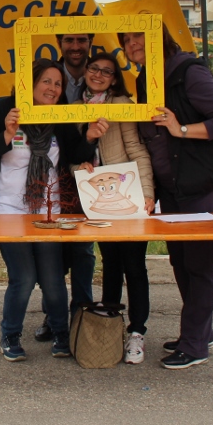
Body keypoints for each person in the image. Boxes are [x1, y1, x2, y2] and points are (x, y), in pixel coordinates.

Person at [119, 24, 213, 369]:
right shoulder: (145, 79)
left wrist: (182, 129)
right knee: (181, 261)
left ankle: (195, 344)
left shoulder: (189, 73)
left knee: (200, 265)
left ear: (158, 37)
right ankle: (200, 331)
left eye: (138, 36)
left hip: (202, 184)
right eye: (126, 40)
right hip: (172, 187)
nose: (132, 43)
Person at [0, 58, 105, 362]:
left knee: (54, 280)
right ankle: (10, 335)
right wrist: (7, 134)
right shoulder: (6, 110)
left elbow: (75, 152)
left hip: (49, 214)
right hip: (9, 211)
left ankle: (61, 333)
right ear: (29, 83)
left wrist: (90, 137)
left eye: (58, 84)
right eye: (46, 81)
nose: (53, 88)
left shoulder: (59, 115)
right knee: (24, 277)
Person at [71, 52, 155, 364]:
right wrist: (78, 166)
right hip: (97, 201)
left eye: (106, 71)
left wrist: (147, 193)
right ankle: (110, 325)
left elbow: (136, 149)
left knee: (134, 264)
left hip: (127, 197)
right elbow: (71, 155)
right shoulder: (74, 107)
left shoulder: (121, 104)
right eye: (94, 68)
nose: (99, 75)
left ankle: (137, 332)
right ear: (86, 71)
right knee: (110, 263)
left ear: (114, 78)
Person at [32, 32, 98, 343]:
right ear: (60, 43)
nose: (75, 46)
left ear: (90, 43)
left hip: (91, 174)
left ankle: (82, 315)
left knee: (83, 250)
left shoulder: (100, 74)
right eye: (69, 40)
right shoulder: (51, 76)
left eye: (81, 40)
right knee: (53, 253)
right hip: (55, 178)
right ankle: (53, 315)